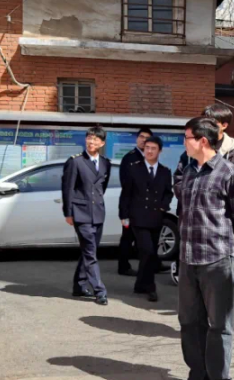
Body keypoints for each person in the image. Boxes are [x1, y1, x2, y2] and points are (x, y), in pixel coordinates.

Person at [171, 117, 234, 380]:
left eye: (187, 137)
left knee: (219, 324)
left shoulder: (229, 172)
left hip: (217, 258)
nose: (184, 142)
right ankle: (198, 375)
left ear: (202, 140)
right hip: (188, 257)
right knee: (189, 321)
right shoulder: (188, 171)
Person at [119, 136, 173, 302]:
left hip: (156, 218)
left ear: (159, 151)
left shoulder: (165, 171)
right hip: (138, 217)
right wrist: (123, 215)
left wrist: (163, 206)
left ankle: (140, 284)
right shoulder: (134, 168)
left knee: (149, 254)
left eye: (153, 148)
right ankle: (150, 287)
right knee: (147, 251)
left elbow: (168, 193)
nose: (149, 151)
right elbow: (126, 193)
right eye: (147, 148)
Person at [62, 125, 111, 306]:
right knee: (90, 253)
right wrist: (68, 212)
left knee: (89, 250)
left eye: (95, 139)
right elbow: (68, 188)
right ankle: (100, 291)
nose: (91, 141)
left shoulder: (105, 163)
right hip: (81, 213)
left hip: (98, 212)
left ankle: (79, 285)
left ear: (102, 143)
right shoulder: (75, 162)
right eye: (89, 138)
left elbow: (102, 188)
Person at [118, 127, 153, 276]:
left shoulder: (150, 157)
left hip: (147, 205)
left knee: (149, 237)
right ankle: (123, 266)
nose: (144, 140)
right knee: (128, 236)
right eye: (141, 137)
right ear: (137, 139)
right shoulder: (130, 158)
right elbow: (126, 184)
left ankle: (153, 264)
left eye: (147, 138)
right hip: (132, 205)